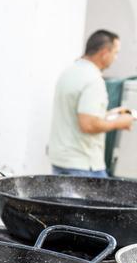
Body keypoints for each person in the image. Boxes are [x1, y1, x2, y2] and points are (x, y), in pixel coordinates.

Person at [47, 29, 134, 177]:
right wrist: (120, 122)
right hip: (84, 166)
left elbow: (77, 115)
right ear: (104, 53)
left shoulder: (68, 72)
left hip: (61, 161)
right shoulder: (93, 80)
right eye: (115, 53)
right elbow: (88, 124)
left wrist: (108, 115)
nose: (116, 58)